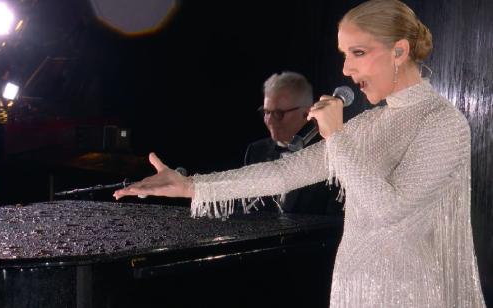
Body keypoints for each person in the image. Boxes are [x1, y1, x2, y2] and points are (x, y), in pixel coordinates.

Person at [114, 0, 486, 306]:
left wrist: (337, 135)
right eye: (344, 54)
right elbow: (283, 172)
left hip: (410, 296)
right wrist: (190, 186)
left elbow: (390, 210)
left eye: (358, 52)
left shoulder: (443, 123)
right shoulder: (370, 125)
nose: (346, 68)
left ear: (399, 51)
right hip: (351, 291)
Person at [245, 71, 342, 215]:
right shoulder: (256, 151)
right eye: (266, 112)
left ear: (306, 113)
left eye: (278, 113)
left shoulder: (331, 154)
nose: (269, 121)